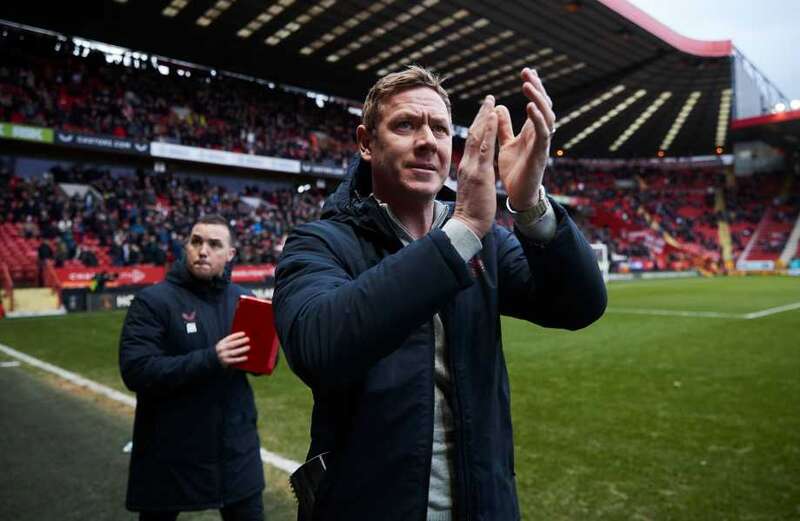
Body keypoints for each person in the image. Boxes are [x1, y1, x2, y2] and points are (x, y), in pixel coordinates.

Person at [273, 65, 607, 520]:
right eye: (405, 125)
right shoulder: (320, 242)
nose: (428, 140)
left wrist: (530, 204)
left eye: (440, 128)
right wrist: (462, 231)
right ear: (367, 143)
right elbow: (318, 347)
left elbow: (579, 305)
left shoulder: (488, 242)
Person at [119, 214, 265, 521]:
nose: (203, 250)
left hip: (235, 450)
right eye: (196, 241)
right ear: (185, 246)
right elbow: (137, 370)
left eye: (214, 244)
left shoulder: (245, 299)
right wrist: (212, 359)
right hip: (170, 452)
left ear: (230, 254)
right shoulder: (152, 302)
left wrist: (266, 351)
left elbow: (261, 363)